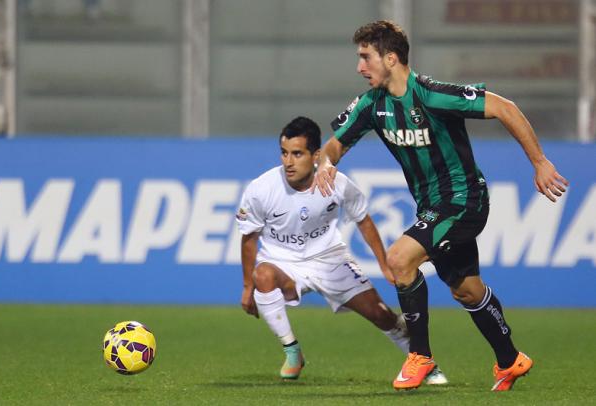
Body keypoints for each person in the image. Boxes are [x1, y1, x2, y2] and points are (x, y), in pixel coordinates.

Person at [312, 20, 568, 391]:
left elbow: (505, 107)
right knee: (466, 289)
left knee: (401, 259)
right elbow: (335, 143)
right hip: (431, 207)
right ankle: (511, 359)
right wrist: (326, 163)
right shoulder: (372, 105)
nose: (359, 67)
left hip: (464, 199)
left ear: (392, 58)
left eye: (366, 57)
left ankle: (420, 356)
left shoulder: (432, 94)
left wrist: (540, 162)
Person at [236, 116, 447, 384]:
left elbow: (364, 220)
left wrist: (383, 265)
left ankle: (424, 364)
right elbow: (249, 237)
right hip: (282, 262)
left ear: (315, 155)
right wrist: (246, 287)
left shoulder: (337, 183)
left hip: (329, 258)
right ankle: (292, 351)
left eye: (297, 154)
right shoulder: (261, 189)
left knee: (381, 315)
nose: (288, 162)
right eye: (284, 153)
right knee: (262, 276)